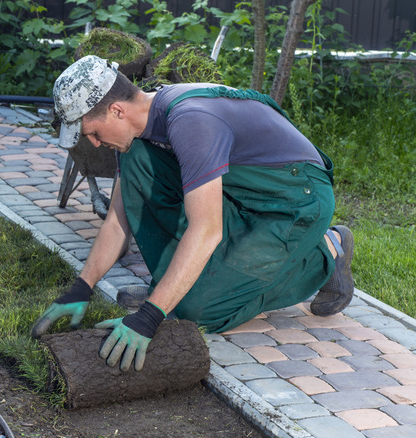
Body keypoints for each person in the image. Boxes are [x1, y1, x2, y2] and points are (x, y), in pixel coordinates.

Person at [31, 55, 355, 372]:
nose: (95, 143)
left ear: (116, 110)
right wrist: (82, 286)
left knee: (198, 310)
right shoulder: (141, 130)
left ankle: (325, 251)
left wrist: (150, 315)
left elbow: (207, 229)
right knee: (137, 161)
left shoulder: (190, 120)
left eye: (92, 132)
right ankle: (178, 284)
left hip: (294, 202)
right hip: (242, 194)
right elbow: (119, 218)